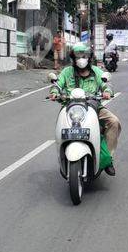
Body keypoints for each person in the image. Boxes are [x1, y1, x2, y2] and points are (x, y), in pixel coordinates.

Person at [49, 43, 121, 176]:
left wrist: (107, 91)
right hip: (70, 108)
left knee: (114, 122)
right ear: (73, 58)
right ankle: (62, 156)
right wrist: (54, 92)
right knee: (60, 128)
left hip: (94, 108)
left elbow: (106, 84)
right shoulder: (67, 72)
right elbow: (57, 85)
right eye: (78, 56)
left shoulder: (96, 71)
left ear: (89, 57)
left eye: (84, 56)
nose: (81, 59)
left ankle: (107, 159)